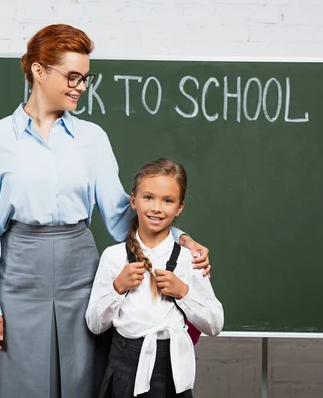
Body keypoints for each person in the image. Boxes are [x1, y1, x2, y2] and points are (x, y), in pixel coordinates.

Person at [0, 24, 211, 398]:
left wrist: (181, 242)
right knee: (20, 385)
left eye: (85, 78)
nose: (81, 86)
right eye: (73, 76)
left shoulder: (92, 138)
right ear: (38, 70)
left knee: (83, 382)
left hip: (81, 275)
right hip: (17, 278)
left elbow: (120, 216)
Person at [86, 158, 224, 397]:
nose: (157, 208)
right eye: (148, 197)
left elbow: (215, 323)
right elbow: (95, 324)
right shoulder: (113, 257)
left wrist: (184, 293)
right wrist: (117, 288)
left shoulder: (189, 259)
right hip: (124, 367)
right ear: (133, 201)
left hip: (172, 369)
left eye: (168, 201)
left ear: (179, 207)